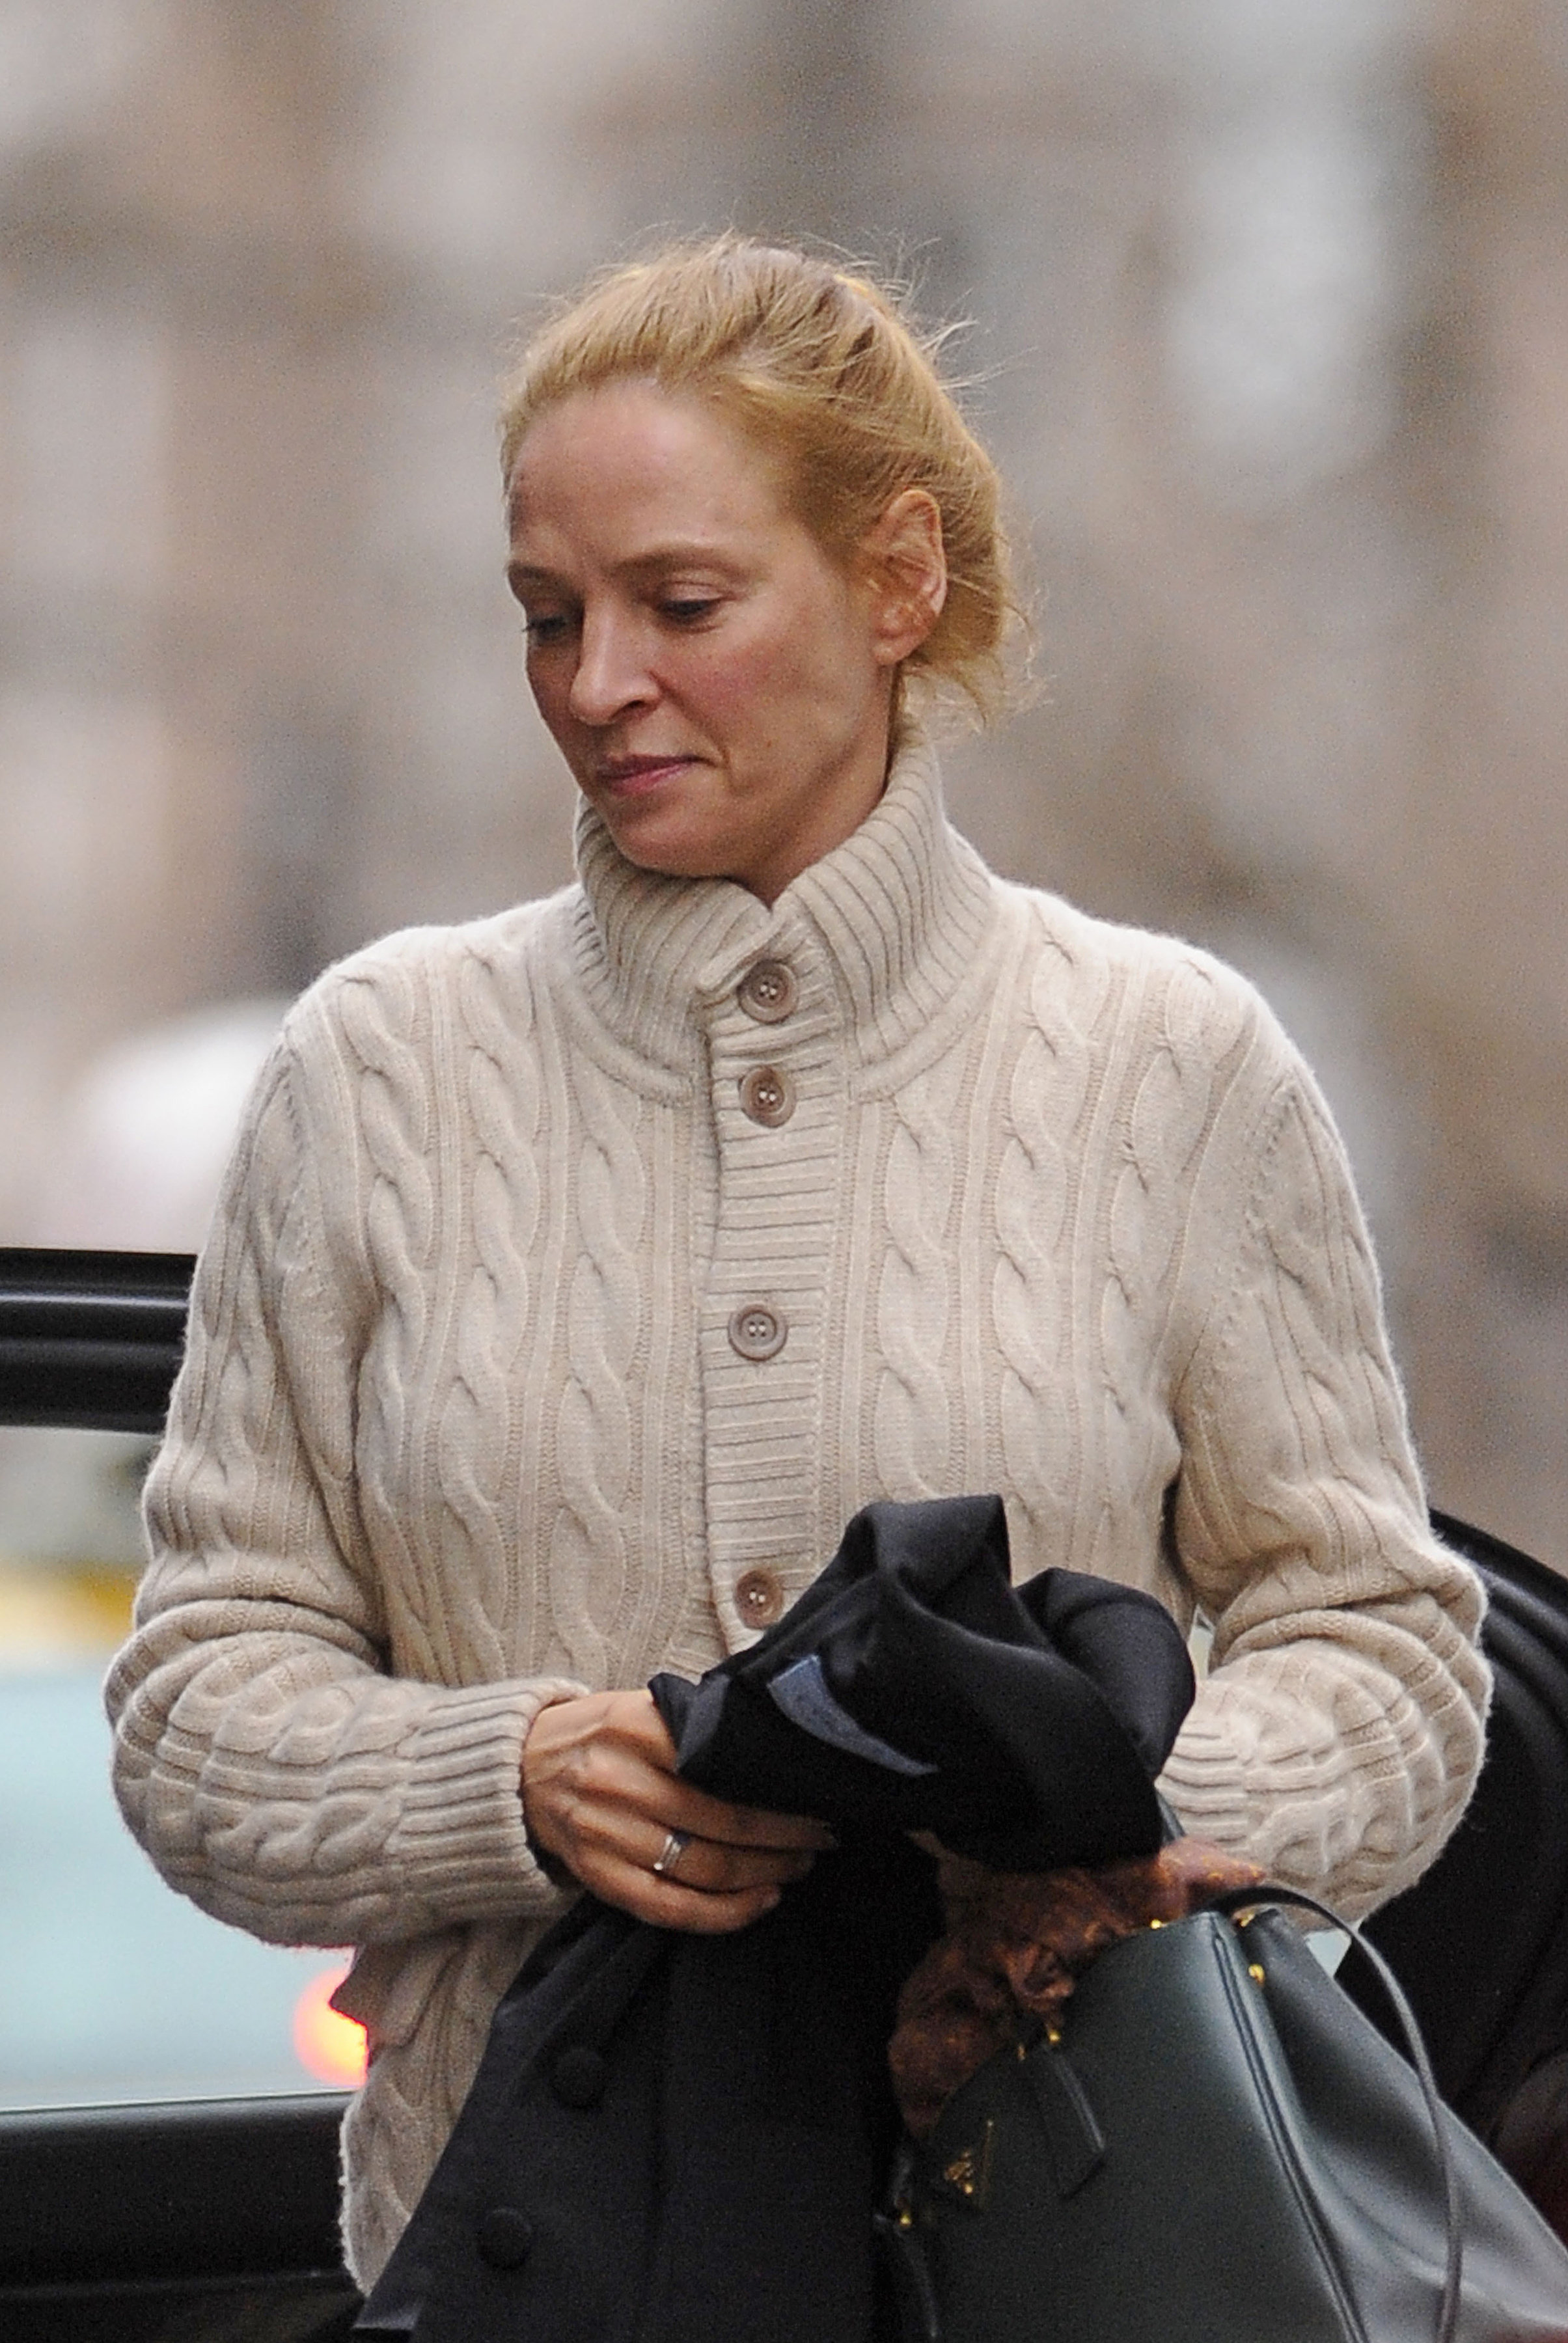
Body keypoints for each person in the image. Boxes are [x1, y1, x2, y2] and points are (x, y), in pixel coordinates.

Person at [105, 235, 1489, 2295]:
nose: (596, 683)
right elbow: (196, 1707)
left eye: (680, 605)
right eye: (547, 615)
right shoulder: (377, 1069)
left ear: (895, 579)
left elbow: (1381, 1647)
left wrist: (1091, 1834)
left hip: (1065, 2241)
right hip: (529, 2260)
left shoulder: (1168, 1063)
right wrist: (507, 1777)